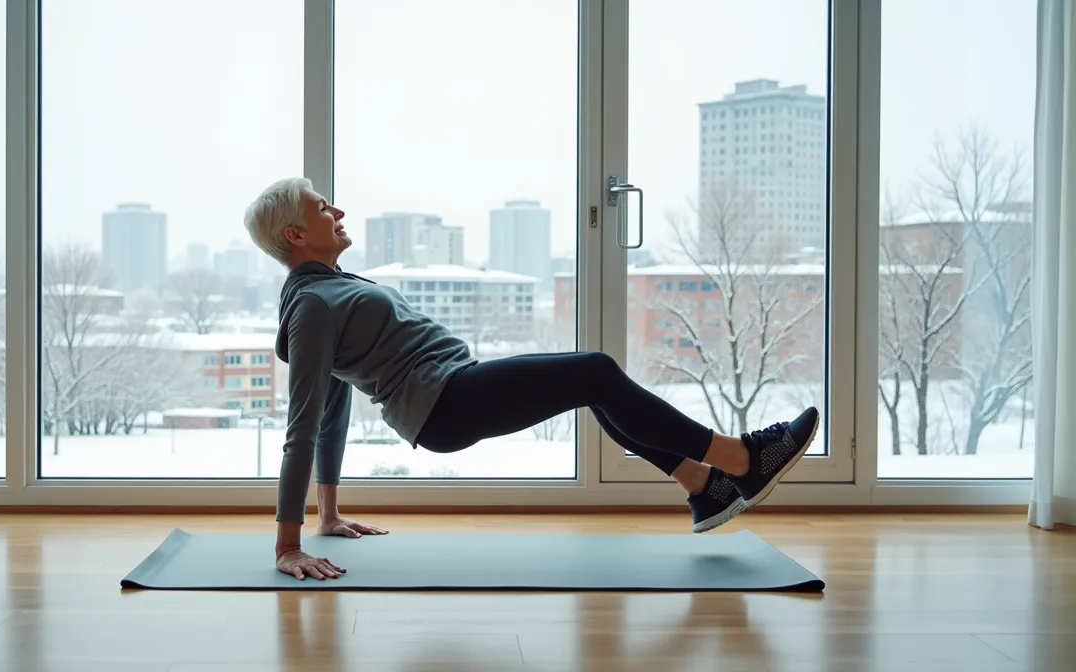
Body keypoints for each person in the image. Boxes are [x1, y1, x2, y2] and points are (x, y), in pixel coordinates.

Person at [243, 177, 820, 581]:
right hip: (444, 402)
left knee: (593, 390)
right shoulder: (315, 304)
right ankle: (742, 461)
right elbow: (306, 424)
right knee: (593, 372)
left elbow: (335, 406)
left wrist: (329, 513)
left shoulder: (329, 289)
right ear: (296, 234)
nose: (337, 212)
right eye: (323, 207)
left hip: (449, 392)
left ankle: (703, 487)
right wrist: (289, 544)